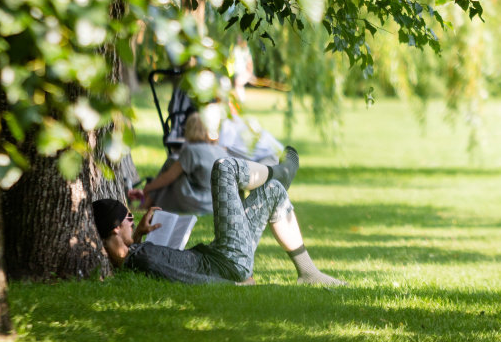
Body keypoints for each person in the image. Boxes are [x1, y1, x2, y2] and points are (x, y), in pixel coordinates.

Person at [93, 151, 345, 285]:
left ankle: (308, 273)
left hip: (220, 255)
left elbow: (127, 254)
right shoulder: (142, 259)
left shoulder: (134, 254)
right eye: (128, 217)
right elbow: (185, 279)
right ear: (115, 228)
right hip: (227, 261)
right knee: (224, 167)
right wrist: (235, 287)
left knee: (272, 192)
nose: (133, 219)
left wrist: (137, 235)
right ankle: (280, 172)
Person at [139, 112, 230, 214]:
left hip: (199, 203)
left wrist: (149, 187)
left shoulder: (191, 150)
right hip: (217, 203)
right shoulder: (221, 150)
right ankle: (148, 203)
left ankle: (145, 205)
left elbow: (169, 177)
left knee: (172, 162)